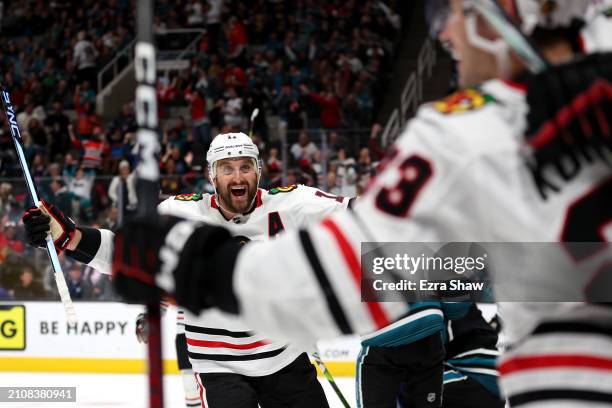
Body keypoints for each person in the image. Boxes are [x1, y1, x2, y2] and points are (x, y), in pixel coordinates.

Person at [110, 1, 612, 407]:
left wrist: (195, 264)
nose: (444, 34)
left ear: (511, 12)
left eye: (450, 13)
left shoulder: (470, 130)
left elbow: (351, 274)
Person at [22, 132, 354, 408]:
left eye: (245, 167)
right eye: (226, 169)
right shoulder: (180, 213)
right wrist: (68, 236)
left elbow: (369, 218)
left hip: (286, 361)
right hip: (219, 367)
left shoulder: (293, 204)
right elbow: (125, 253)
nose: (237, 177)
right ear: (212, 175)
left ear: (259, 171)